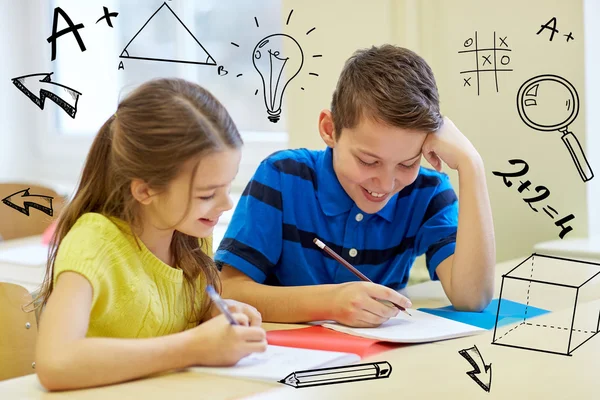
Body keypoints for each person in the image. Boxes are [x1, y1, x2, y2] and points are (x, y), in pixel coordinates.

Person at [215, 45, 496, 328]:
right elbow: (229, 290)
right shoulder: (282, 176)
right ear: (329, 129)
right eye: (368, 161)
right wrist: (331, 303)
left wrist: (471, 165)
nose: (386, 184)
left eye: (407, 164)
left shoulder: (428, 193)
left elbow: (472, 299)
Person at [33, 78, 267, 391]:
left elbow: (172, 314)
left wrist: (217, 314)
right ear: (145, 190)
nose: (226, 204)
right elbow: (55, 364)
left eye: (228, 185)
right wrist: (194, 346)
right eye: (208, 194)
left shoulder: (190, 233)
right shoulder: (93, 244)